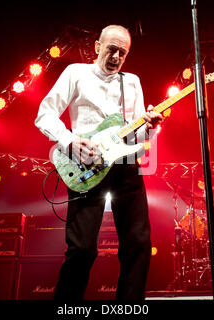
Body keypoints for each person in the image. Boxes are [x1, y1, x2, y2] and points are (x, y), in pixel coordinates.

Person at [35, 25, 163, 300]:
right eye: (111, 49)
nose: (116, 57)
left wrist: (150, 125)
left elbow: (136, 133)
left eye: (123, 53)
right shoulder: (76, 74)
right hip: (87, 165)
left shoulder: (132, 82)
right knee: (81, 249)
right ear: (97, 46)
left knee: (138, 243)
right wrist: (69, 141)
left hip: (125, 164)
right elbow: (45, 115)